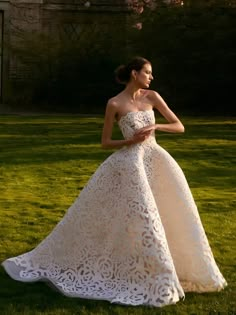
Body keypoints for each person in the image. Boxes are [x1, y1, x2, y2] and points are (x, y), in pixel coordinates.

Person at [2, 56, 227, 307]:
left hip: (157, 159)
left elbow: (179, 126)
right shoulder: (114, 103)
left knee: (168, 211)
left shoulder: (152, 97)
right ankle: (147, 269)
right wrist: (129, 141)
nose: (151, 77)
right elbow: (105, 142)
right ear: (134, 73)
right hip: (130, 165)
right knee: (140, 217)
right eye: (147, 72)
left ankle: (173, 265)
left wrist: (156, 129)